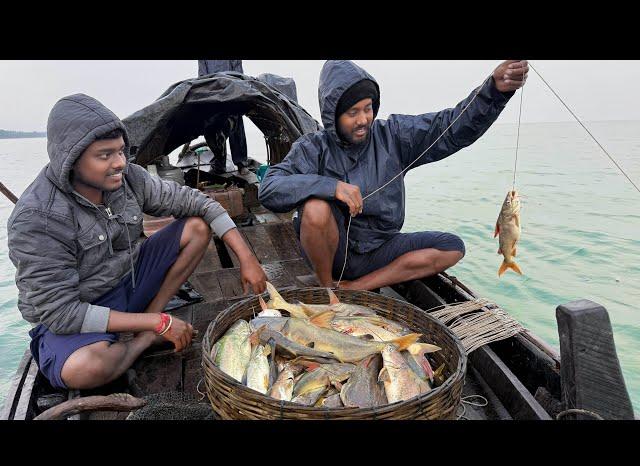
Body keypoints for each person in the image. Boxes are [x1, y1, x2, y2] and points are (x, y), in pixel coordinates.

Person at [7, 93, 267, 390]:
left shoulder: (129, 177)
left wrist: (247, 258)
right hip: (77, 312)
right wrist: (156, 326)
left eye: (121, 151)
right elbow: (62, 313)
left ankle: (149, 315)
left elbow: (198, 203)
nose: (119, 163)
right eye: (105, 155)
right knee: (84, 369)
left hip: (126, 281)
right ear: (71, 158)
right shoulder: (36, 217)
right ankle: (144, 337)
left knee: (196, 228)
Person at [259, 60, 528, 291]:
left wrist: (493, 92)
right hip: (333, 253)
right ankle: (328, 287)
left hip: (380, 250)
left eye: (368, 108)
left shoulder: (394, 135)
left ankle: (356, 287)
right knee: (315, 208)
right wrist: (331, 187)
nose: (364, 119)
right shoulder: (312, 147)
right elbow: (269, 188)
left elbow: (450, 126)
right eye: (352, 112)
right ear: (333, 116)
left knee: (452, 247)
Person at [198, 60, 250, 175]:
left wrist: (232, 90)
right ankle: (219, 163)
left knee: (236, 125)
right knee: (213, 129)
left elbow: (239, 74)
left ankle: (241, 162)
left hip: (232, 92)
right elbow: (202, 77)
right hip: (213, 95)